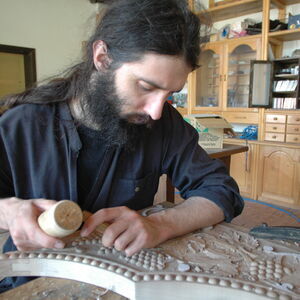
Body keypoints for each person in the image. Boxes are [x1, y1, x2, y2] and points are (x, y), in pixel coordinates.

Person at [0, 0, 244, 292]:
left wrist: (162, 224)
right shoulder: (21, 125)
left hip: (124, 279)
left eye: (170, 94)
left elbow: (221, 190)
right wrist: (9, 211)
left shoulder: (163, 123)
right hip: (34, 279)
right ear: (102, 57)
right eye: (146, 86)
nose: (155, 110)